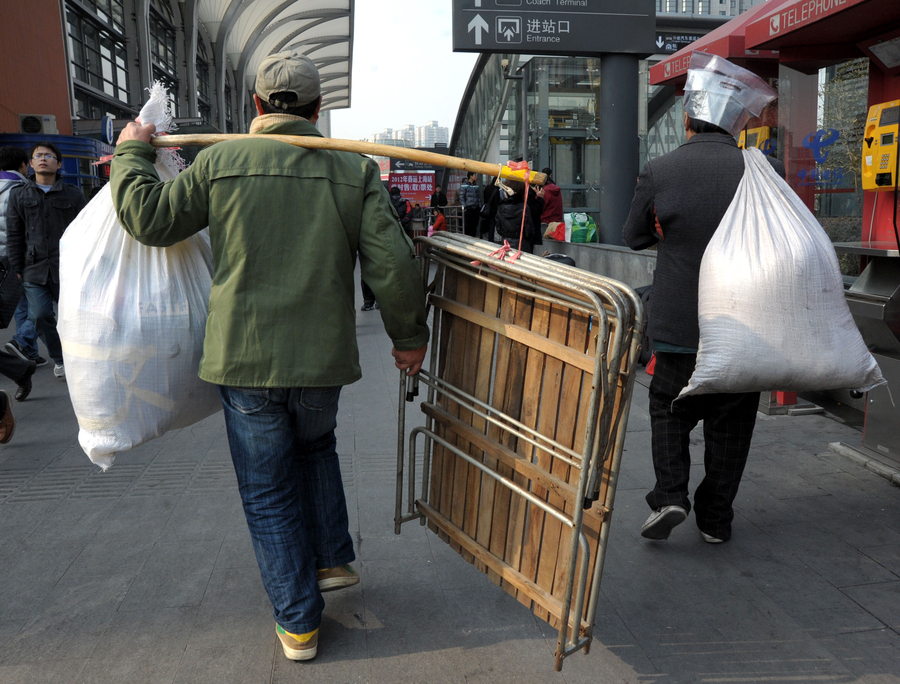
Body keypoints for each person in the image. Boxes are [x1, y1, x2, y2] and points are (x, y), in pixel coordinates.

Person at [111, 50, 428, 662]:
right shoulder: (351, 170)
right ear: (316, 109)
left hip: (245, 358)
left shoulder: (220, 161)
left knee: (267, 489)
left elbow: (148, 218)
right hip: (321, 356)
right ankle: (331, 558)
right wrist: (408, 337)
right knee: (315, 447)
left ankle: (299, 622)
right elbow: (390, 263)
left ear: (255, 106)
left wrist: (131, 151)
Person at [623, 55, 783, 545]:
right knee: (732, 424)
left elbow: (632, 237)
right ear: (735, 121)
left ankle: (671, 494)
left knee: (670, 410)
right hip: (745, 325)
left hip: (678, 326)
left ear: (689, 118)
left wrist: (664, 227)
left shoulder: (661, 169)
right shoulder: (764, 170)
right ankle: (715, 519)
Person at [6, 141, 87, 381]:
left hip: (68, 268)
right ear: (30, 164)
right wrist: (16, 266)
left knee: (73, 316)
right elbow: (14, 233)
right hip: (33, 267)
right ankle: (60, 358)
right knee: (40, 315)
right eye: (38, 155)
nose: (43, 159)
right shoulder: (18, 195)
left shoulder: (73, 194)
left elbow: (85, 230)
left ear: (58, 163)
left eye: (49, 156)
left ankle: (80, 356)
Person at [0, 147, 46, 369]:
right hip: (17, 256)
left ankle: (28, 352)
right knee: (37, 306)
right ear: (22, 164)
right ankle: (23, 344)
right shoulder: (21, 189)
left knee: (19, 305)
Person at [494, 179, 541, 254]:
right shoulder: (524, 208)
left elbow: (498, 229)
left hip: (505, 245)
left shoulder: (500, 207)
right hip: (522, 246)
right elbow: (529, 232)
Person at [459, 171, 482, 238]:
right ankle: (468, 239)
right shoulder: (464, 185)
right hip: (468, 208)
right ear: (470, 176)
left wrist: (479, 206)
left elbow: (479, 197)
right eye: (474, 175)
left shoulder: (476, 186)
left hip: (476, 208)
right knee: (468, 225)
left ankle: (473, 239)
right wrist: (465, 206)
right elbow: (461, 197)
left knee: (475, 225)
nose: (476, 177)